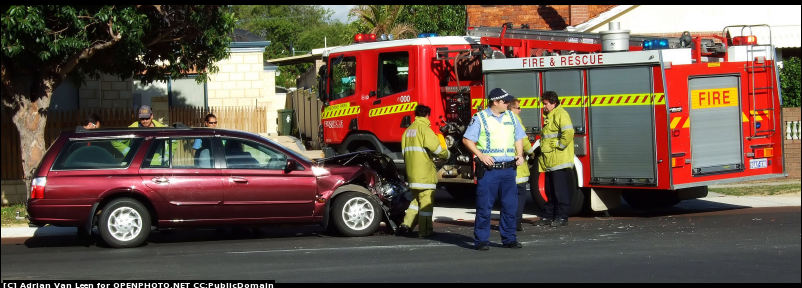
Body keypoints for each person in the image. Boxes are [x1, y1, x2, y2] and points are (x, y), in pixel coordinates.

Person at [462, 88, 526, 250]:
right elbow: (467, 140)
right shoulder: (480, 118)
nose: (508, 104)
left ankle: (509, 238)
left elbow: (518, 137)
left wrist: (519, 154)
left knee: (510, 206)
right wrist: (480, 155)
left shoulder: (511, 116)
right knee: (484, 206)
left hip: (508, 169)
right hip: (490, 170)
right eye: (505, 102)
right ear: (495, 102)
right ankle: (482, 240)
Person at [397, 105, 450, 238]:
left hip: (412, 174)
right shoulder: (424, 129)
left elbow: (405, 153)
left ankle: (406, 225)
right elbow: (436, 148)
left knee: (416, 201)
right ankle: (425, 231)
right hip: (425, 174)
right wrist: (447, 154)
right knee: (426, 203)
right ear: (427, 115)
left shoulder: (408, 131)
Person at [535, 91, 575, 228]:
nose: (544, 106)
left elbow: (569, 132)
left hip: (559, 160)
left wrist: (559, 144)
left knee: (560, 192)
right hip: (551, 161)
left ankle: (561, 217)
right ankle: (548, 216)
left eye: (545, 104)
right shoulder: (551, 115)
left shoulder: (560, 114)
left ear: (553, 103)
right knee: (550, 191)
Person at [508, 99, 536, 231]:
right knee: (519, 196)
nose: (520, 110)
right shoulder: (515, 120)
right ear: (512, 109)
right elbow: (523, 140)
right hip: (518, 167)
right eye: (518, 108)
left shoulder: (501, 120)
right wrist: (531, 152)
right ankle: (516, 222)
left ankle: (507, 221)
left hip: (506, 166)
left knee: (507, 197)